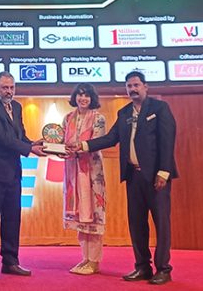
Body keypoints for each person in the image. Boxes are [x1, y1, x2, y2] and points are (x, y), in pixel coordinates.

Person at [80, 71, 178, 285]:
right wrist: (83, 145)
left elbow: (167, 140)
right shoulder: (124, 112)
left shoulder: (159, 108)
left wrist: (164, 171)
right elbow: (110, 138)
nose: (132, 89)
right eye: (129, 86)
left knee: (161, 223)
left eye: (136, 85)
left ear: (145, 86)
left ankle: (163, 269)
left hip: (156, 177)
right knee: (136, 223)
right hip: (133, 176)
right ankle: (142, 267)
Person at [0, 71, 46, 279]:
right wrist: (29, 149)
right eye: (4, 88)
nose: (9, 91)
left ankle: (10, 262)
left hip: (14, 172)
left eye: (11, 87)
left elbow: (19, 135)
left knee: (12, 219)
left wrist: (32, 143)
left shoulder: (16, 107)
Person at [62, 83, 106, 276]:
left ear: (92, 98)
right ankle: (85, 258)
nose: (83, 98)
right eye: (80, 95)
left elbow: (98, 142)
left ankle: (94, 261)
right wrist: (60, 150)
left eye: (87, 95)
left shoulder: (98, 119)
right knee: (81, 217)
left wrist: (79, 147)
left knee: (93, 215)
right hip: (72, 172)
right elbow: (62, 143)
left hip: (92, 174)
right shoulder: (68, 118)